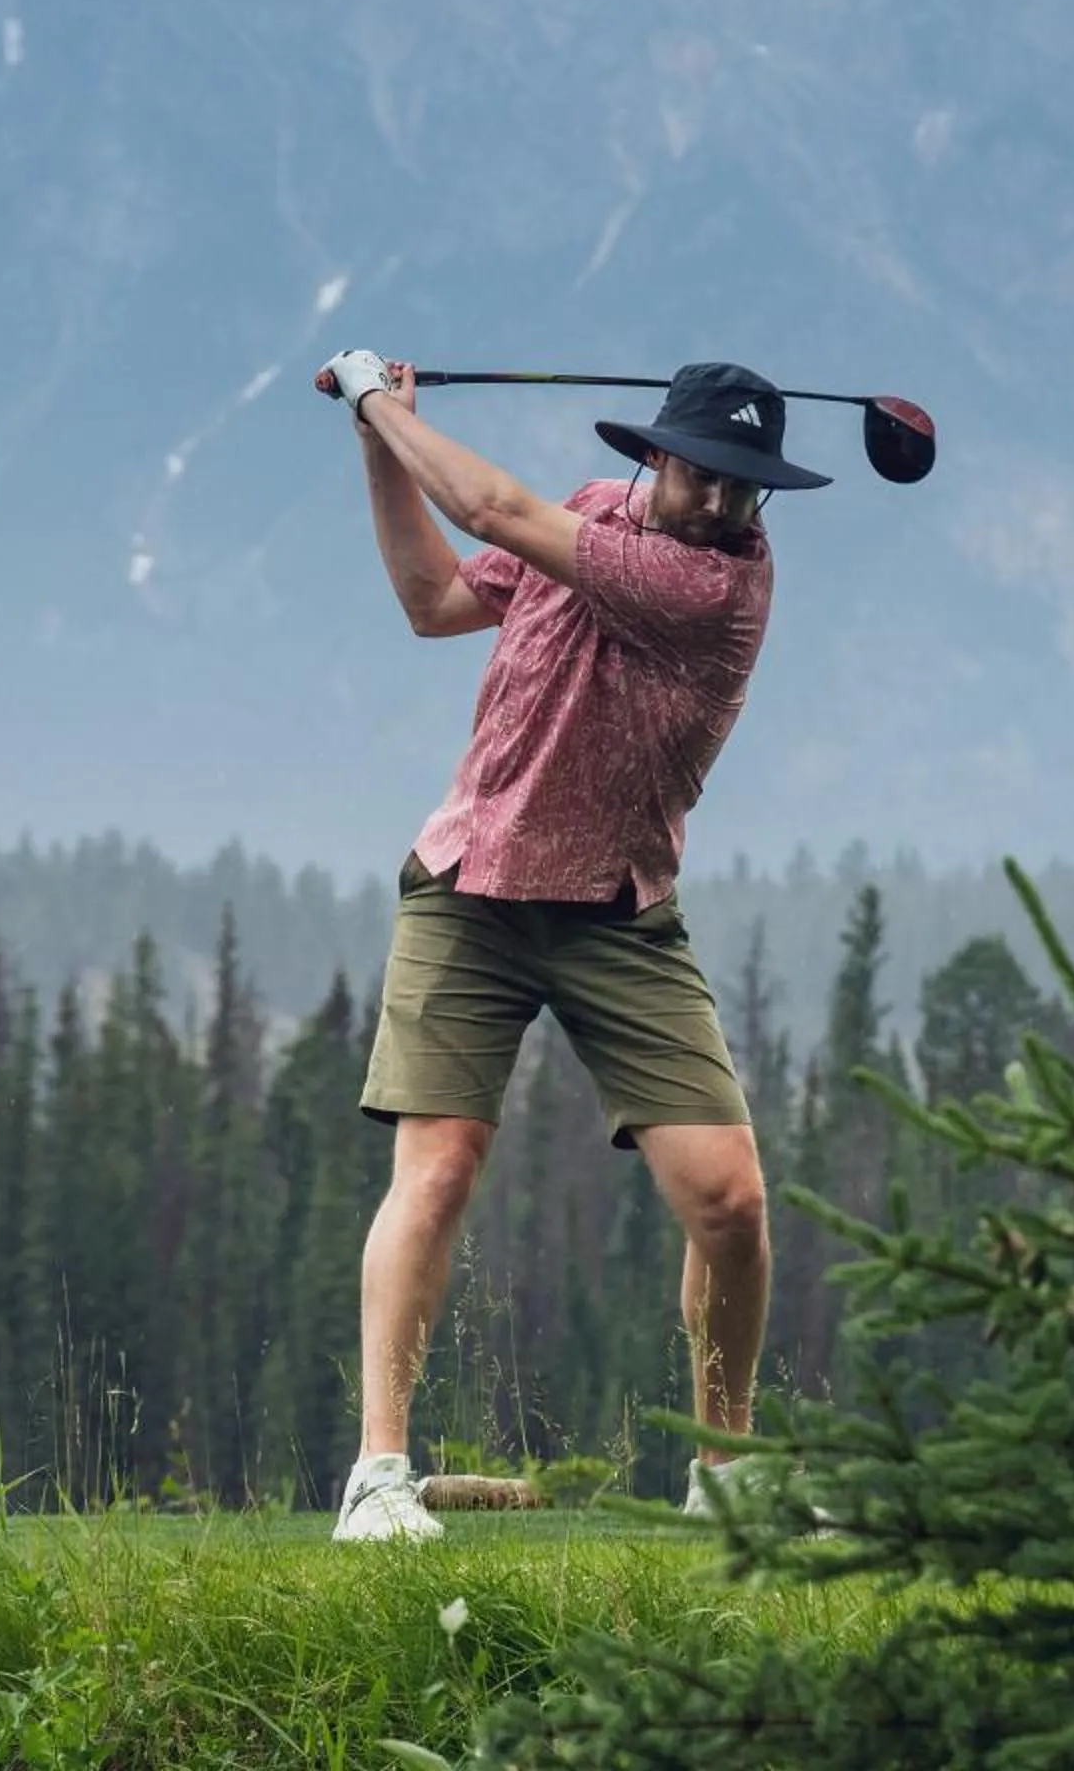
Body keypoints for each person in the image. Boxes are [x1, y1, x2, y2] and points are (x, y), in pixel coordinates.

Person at [313, 349, 828, 1543]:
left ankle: (727, 1465)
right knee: (436, 1169)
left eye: (749, 488)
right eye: (708, 477)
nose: (724, 505)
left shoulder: (717, 590)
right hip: (470, 884)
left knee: (732, 1202)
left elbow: (491, 506)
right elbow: (436, 599)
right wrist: (378, 450)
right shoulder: (593, 516)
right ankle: (379, 1474)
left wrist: (382, 403)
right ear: (656, 457)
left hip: (617, 908)